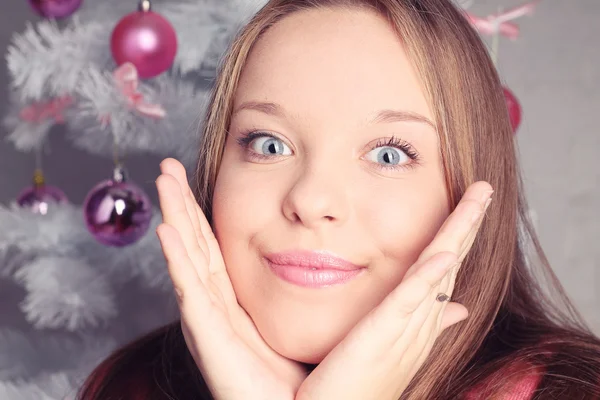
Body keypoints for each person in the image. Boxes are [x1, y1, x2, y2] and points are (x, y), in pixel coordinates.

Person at [76, 0, 600, 399]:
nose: (310, 199)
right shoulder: (128, 385)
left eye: (389, 155)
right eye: (269, 144)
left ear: (470, 190)